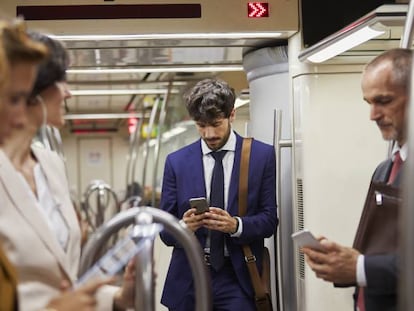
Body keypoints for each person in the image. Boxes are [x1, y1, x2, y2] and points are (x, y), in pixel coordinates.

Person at [0, 25, 136, 311]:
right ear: (34, 92)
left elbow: (65, 279)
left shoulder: (51, 163)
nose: (68, 93)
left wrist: (116, 298)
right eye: (61, 81)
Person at [302, 48, 411, 311]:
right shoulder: (384, 171)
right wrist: (343, 262)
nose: (372, 115)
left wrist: (360, 268)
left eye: (384, 101)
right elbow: (383, 251)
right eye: (369, 103)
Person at [159, 78, 277, 310]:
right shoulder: (177, 162)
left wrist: (235, 225)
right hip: (189, 277)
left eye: (215, 124)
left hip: (238, 277)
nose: (209, 133)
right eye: (201, 125)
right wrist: (183, 227)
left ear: (231, 115)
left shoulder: (261, 156)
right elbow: (165, 231)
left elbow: (270, 220)